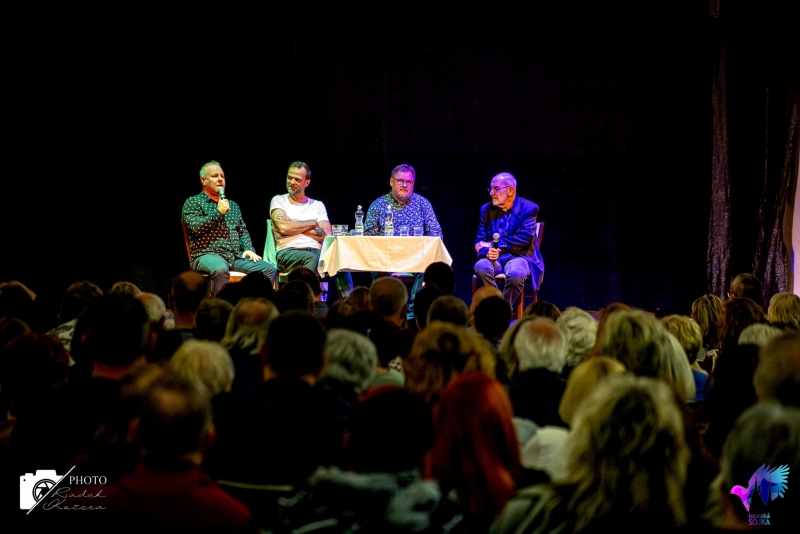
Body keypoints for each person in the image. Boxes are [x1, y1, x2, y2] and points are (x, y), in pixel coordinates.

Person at [182, 160, 277, 296]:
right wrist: (218, 212)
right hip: (206, 255)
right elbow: (195, 227)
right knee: (220, 268)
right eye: (215, 176)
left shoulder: (233, 205)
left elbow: (242, 231)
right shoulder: (193, 202)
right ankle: (222, 308)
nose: (220, 179)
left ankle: (251, 305)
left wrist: (248, 249)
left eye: (222, 176)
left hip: (234, 257)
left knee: (268, 269)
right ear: (203, 180)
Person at [364, 164, 443, 318]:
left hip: (416, 258)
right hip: (385, 257)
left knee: (431, 265)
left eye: (409, 182)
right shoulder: (378, 205)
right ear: (391, 181)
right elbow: (368, 236)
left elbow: (436, 234)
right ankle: (383, 311)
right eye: (401, 181)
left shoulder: (422, 204)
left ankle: (413, 313)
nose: (405, 185)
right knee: (375, 263)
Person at [269, 161, 352, 298]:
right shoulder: (279, 201)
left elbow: (326, 234)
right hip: (289, 252)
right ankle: (304, 302)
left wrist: (293, 224)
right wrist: (312, 223)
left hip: (317, 251)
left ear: (306, 183)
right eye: (289, 177)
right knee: (312, 258)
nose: (292, 182)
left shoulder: (317, 205)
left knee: (340, 258)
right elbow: (283, 227)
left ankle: (349, 303)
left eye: (297, 179)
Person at [474, 172, 544, 314]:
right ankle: (499, 308)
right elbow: (479, 242)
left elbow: (524, 238)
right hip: (495, 259)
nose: (491, 193)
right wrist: (487, 252)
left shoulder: (529, 209)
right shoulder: (486, 210)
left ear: (510, 190)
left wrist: (493, 245)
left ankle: (501, 311)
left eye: (496, 188)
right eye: (490, 189)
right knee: (480, 266)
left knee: (516, 273)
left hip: (519, 256)